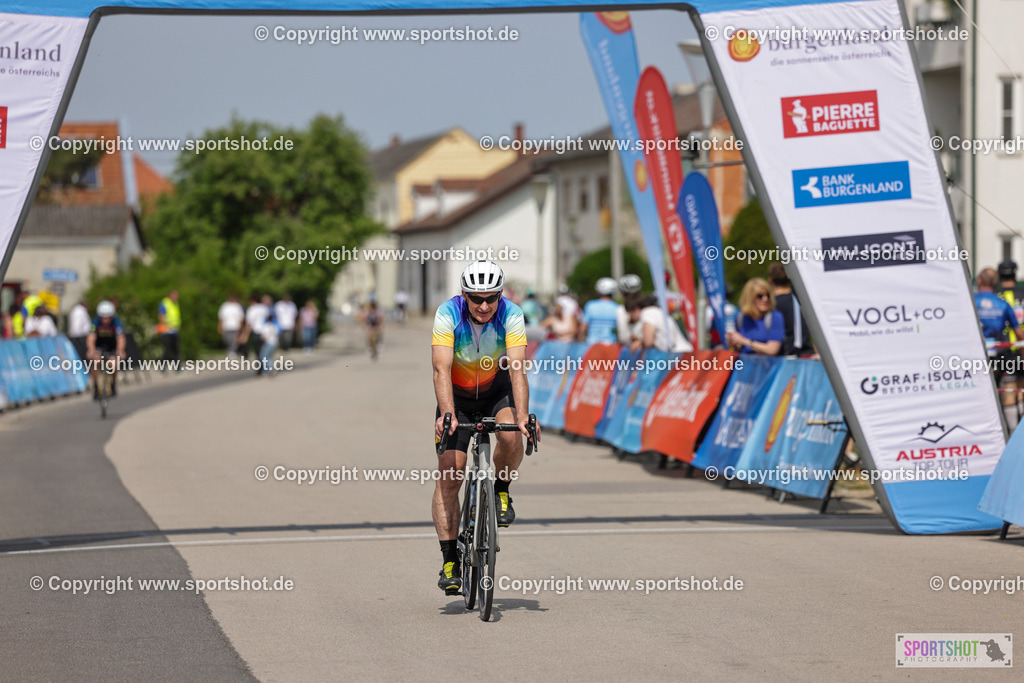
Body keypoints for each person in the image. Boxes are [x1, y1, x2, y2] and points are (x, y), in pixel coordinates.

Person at [432, 260, 532, 595]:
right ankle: (450, 561)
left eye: (491, 297)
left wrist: (523, 416)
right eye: (477, 298)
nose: (485, 305)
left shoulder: (512, 313)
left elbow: (517, 369)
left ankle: (501, 491)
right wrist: (447, 413)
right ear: (465, 295)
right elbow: (441, 369)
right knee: (450, 473)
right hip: (457, 398)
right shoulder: (448, 313)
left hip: (496, 392)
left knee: (509, 432)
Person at [976, 267, 1024, 428]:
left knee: (979, 395)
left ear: (980, 281)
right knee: (1001, 393)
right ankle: (1009, 434)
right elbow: (1019, 333)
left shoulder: (970, 302)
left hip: (974, 355)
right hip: (1000, 355)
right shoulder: (1002, 304)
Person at [726, 278, 784, 356]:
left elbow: (772, 349)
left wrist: (745, 341)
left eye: (767, 295)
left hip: (768, 366)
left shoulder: (775, 317)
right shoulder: (740, 317)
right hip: (745, 365)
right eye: (760, 296)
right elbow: (738, 348)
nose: (765, 299)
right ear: (750, 298)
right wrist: (732, 341)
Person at [768, 263, 814, 356]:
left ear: (770, 280)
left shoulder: (773, 305)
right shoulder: (802, 300)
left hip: (786, 357)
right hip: (807, 354)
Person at [86, 300, 126, 399]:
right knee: (95, 361)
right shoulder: (95, 322)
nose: (105, 320)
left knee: (113, 364)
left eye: (108, 317)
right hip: (99, 345)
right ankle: (95, 386)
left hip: (112, 346)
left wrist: (120, 350)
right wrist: (91, 349)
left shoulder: (116, 322)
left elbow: (120, 338)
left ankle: (113, 384)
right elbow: (91, 337)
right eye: (103, 317)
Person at [626, 295, 692, 353]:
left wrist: (639, 343)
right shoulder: (656, 311)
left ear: (636, 309)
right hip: (682, 352)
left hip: (677, 353)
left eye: (630, 313)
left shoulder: (647, 314)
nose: (630, 316)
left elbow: (648, 342)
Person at [579, 277, 621, 344]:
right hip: (611, 346)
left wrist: (578, 342)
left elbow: (583, 328)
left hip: (592, 345)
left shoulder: (590, 306)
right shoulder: (618, 308)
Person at [616, 274, 643, 344]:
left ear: (622, 293)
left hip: (629, 349)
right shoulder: (647, 305)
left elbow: (623, 336)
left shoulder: (621, 310)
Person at [158, 290, 181, 369]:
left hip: (174, 330)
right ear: (171, 295)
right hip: (167, 331)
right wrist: (166, 325)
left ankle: (178, 368)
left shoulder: (175, 303)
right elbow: (161, 316)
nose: (177, 297)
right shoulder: (165, 303)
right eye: (175, 296)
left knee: (176, 350)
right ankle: (162, 368)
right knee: (166, 351)